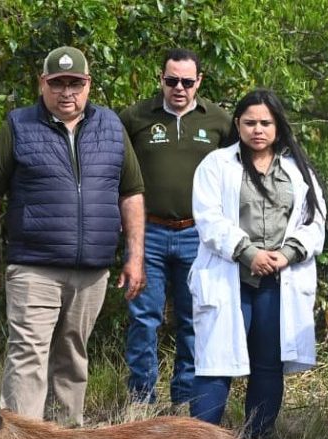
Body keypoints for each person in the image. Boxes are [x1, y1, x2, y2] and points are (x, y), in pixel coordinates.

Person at [0, 46, 146, 425]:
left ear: (88, 84)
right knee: (28, 355)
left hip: (92, 271)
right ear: (42, 84)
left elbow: (131, 193)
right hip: (34, 268)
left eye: (75, 84)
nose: (67, 92)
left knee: (73, 356)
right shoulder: (19, 125)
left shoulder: (111, 126)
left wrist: (135, 256)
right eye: (58, 83)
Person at [188, 90, 325, 439]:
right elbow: (208, 219)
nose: (258, 130)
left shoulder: (297, 172)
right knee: (216, 363)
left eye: (266, 123)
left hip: (278, 280)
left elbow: (316, 222)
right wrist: (249, 253)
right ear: (237, 124)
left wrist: (288, 253)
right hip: (230, 275)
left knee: (268, 363)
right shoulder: (217, 165)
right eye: (250, 123)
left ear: (278, 126)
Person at [118, 48, 232, 410]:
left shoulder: (219, 121)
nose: (179, 88)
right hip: (147, 232)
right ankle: (142, 402)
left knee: (193, 320)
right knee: (143, 319)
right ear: (161, 79)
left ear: (199, 81)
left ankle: (183, 404)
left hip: (197, 234)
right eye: (171, 81)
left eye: (186, 82)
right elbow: (114, 168)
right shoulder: (135, 117)